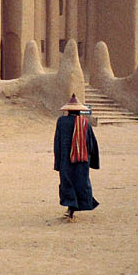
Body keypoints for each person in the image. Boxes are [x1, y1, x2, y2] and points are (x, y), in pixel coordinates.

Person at [53, 94, 100, 222]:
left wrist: (57, 162)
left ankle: (71, 209)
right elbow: (91, 142)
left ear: (67, 110)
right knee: (80, 182)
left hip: (66, 160)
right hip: (82, 160)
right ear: (80, 111)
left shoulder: (61, 122)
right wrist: (93, 161)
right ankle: (73, 209)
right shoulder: (84, 122)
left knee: (67, 182)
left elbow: (57, 142)